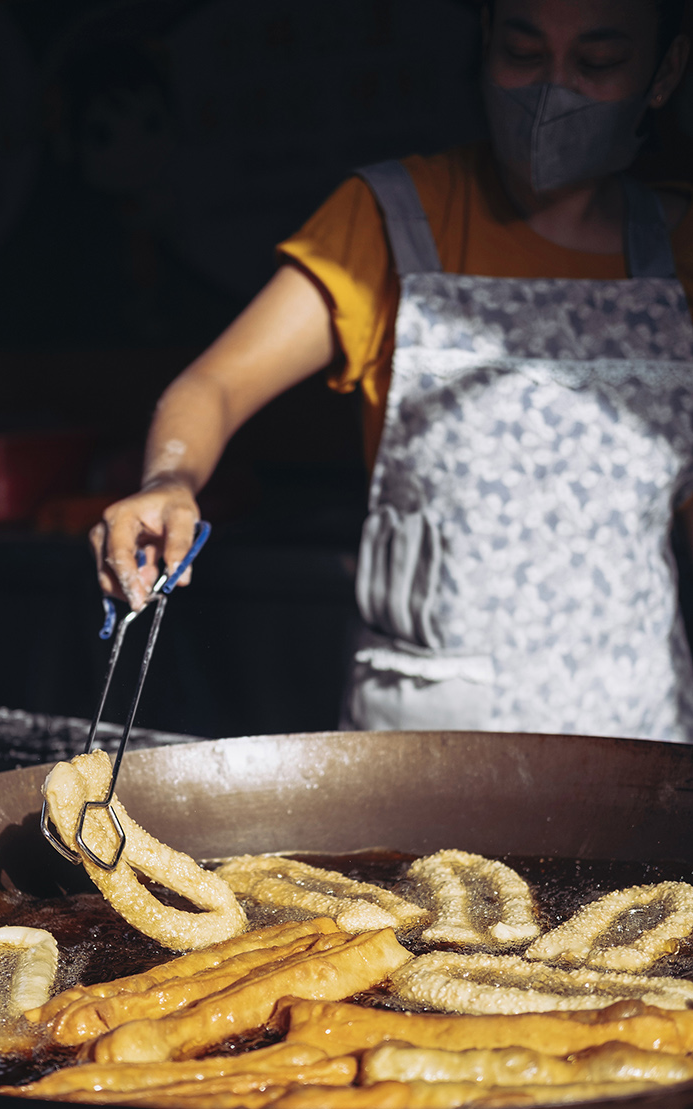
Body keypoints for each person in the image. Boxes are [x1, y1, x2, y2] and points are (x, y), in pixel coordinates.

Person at [91, 0, 693, 741]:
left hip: (635, 735)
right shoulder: (393, 219)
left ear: (664, 72)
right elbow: (214, 385)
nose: (551, 90)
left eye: (597, 63)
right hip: (424, 742)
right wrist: (169, 481)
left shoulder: (679, 256)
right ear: (483, 42)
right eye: (522, 52)